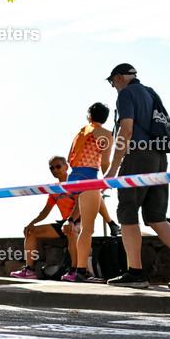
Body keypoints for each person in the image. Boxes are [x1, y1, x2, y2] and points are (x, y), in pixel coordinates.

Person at [104, 64, 170, 289]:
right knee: (156, 217)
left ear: (119, 77)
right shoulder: (151, 92)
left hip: (138, 157)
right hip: (159, 158)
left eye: (112, 82)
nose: (113, 86)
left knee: (127, 213)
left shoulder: (126, 94)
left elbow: (126, 130)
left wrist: (113, 168)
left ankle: (136, 273)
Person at [60, 103, 114, 283]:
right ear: (105, 118)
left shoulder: (81, 131)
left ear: (89, 116)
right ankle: (81, 271)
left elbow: (71, 158)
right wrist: (107, 178)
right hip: (89, 176)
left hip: (74, 177)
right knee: (88, 229)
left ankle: (112, 224)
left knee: (86, 224)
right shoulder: (106, 134)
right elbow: (105, 162)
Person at [11, 157, 79, 279]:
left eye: (58, 166)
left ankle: (75, 271)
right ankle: (29, 270)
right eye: (51, 168)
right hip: (64, 223)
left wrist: (71, 221)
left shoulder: (74, 182)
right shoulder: (54, 189)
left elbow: (80, 206)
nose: (55, 170)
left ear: (66, 167)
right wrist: (31, 223)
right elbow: (46, 210)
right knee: (31, 231)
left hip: (79, 221)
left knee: (71, 230)